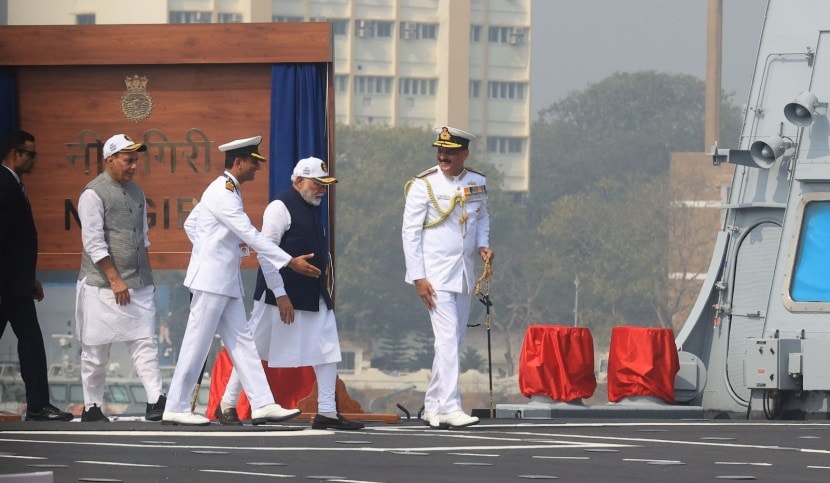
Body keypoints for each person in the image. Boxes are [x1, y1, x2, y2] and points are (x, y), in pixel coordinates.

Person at [162, 135, 321, 426]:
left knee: (244, 343)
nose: (257, 169)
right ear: (238, 163)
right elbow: (249, 233)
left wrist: (216, 247)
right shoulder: (222, 192)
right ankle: (176, 405)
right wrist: (288, 261)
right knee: (197, 343)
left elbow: (192, 225)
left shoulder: (227, 190)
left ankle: (262, 404)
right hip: (211, 281)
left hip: (225, 280)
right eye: (253, 163)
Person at [216, 157, 364, 430]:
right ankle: (227, 404)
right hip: (277, 296)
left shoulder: (311, 208)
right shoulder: (279, 208)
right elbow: (265, 254)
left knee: (328, 349)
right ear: (298, 181)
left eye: (324, 184)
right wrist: (281, 294)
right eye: (316, 184)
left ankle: (328, 412)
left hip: (312, 292)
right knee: (254, 350)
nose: (321, 189)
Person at [401, 126, 494, 429]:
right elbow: (410, 233)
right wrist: (418, 277)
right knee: (447, 339)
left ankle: (433, 405)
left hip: (464, 273)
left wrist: (483, 245)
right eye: (440, 151)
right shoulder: (423, 184)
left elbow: (481, 216)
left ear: (464, 154)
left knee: (455, 340)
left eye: (450, 152)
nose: (443, 156)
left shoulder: (476, 181)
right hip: (435, 274)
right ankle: (451, 406)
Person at [75, 133, 166, 422]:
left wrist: (143, 276)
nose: (133, 166)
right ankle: (92, 406)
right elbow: (93, 242)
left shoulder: (137, 191)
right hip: (103, 286)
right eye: (128, 160)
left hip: (138, 283)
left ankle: (155, 401)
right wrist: (115, 279)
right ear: (110, 159)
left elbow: (143, 236)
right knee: (96, 349)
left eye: (135, 160)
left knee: (145, 343)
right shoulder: (92, 194)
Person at [0, 130, 73, 422]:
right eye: (31, 154)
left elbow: (17, 243)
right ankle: (38, 405)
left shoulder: (14, 185)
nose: (35, 160)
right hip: (6, 286)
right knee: (31, 341)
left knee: (31, 341)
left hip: (16, 284)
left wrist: (29, 279)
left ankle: (38, 405)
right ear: (15, 154)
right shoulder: (4, 185)